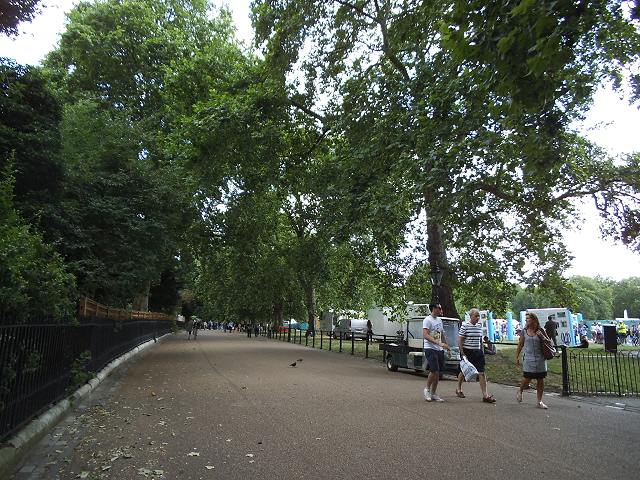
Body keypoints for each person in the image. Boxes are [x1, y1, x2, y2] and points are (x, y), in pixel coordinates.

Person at [455, 308, 496, 403]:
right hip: (468, 352)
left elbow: (480, 340)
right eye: (476, 316)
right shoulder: (465, 326)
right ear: (471, 316)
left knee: (481, 372)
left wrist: (482, 351)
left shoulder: (479, 327)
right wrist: (462, 353)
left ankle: (485, 395)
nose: (477, 318)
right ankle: (459, 389)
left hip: (478, 352)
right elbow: (460, 340)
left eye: (479, 316)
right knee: (463, 371)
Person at [515, 312, 551, 409]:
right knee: (527, 377)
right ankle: (520, 391)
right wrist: (517, 357)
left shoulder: (540, 330)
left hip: (540, 358)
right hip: (528, 358)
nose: (526, 320)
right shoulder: (524, 331)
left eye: (528, 318)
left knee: (540, 379)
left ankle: (539, 401)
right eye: (526, 318)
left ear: (534, 320)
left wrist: (542, 336)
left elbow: (549, 342)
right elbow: (520, 344)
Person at [422, 302, 451, 402]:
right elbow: (426, 335)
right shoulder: (427, 320)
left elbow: (442, 335)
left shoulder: (439, 320)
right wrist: (439, 343)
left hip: (439, 349)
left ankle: (434, 393)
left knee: (438, 372)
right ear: (434, 309)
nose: (440, 310)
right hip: (430, 348)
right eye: (439, 308)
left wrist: (447, 347)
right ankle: (427, 389)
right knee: (434, 370)